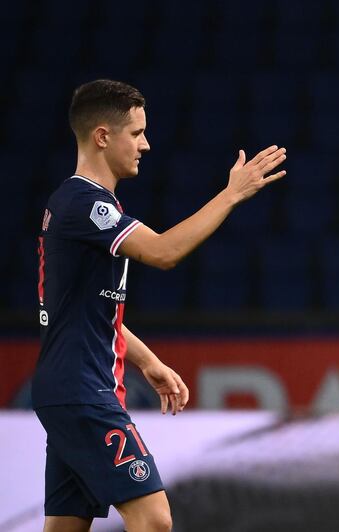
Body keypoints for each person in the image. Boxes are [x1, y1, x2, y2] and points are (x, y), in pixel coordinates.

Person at [34, 79, 287, 532]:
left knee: (65, 527)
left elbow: (86, 311)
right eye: (136, 133)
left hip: (68, 391)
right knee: (154, 519)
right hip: (83, 393)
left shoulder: (71, 203)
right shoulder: (86, 206)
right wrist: (231, 194)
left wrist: (148, 362)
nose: (146, 144)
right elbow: (164, 252)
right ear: (103, 136)